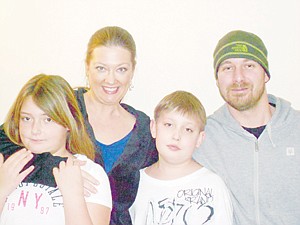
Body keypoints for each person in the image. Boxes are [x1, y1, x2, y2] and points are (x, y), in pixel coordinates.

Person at [0, 26, 158, 225]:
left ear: (132, 71)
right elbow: (12, 136)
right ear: (87, 67)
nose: (111, 79)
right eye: (101, 68)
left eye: (121, 69)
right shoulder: (64, 105)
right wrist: (56, 167)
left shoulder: (145, 131)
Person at [193, 30, 300, 225]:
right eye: (227, 68)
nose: (238, 78)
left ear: (265, 74)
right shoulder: (201, 137)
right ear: (217, 79)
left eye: (249, 66)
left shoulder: (296, 129)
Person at [0, 74, 112, 225]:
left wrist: (74, 196)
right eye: (27, 118)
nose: (35, 130)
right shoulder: (7, 165)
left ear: (67, 122)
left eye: (47, 120)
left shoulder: (90, 174)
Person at [129, 90, 233, 224]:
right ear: (154, 128)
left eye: (188, 129)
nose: (176, 136)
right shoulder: (135, 184)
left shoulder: (212, 185)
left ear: (199, 139)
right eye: (169, 125)